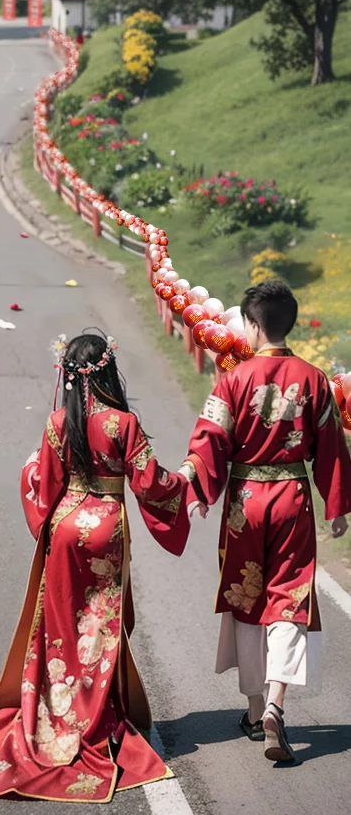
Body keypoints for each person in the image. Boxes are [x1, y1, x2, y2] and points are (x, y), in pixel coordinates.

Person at [0, 331, 202, 803]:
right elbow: (152, 484)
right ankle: (96, 719)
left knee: (61, 627)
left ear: (67, 374)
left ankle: (55, 715)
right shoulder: (124, 423)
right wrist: (186, 476)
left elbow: (41, 485)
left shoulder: (57, 422)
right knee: (99, 630)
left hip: (66, 530)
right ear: (107, 370)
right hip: (106, 529)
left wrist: (30, 466)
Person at [182, 280, 351, 763]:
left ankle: (255, 712)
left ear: (253, 326)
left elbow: (211, 436)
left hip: (245, 501)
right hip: (293, 498)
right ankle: (277, 703)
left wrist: (199, 491)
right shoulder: (314, 378)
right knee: (289, 601)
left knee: (246, 597)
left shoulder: (235, 378)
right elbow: (331, 448)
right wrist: (337, 505)